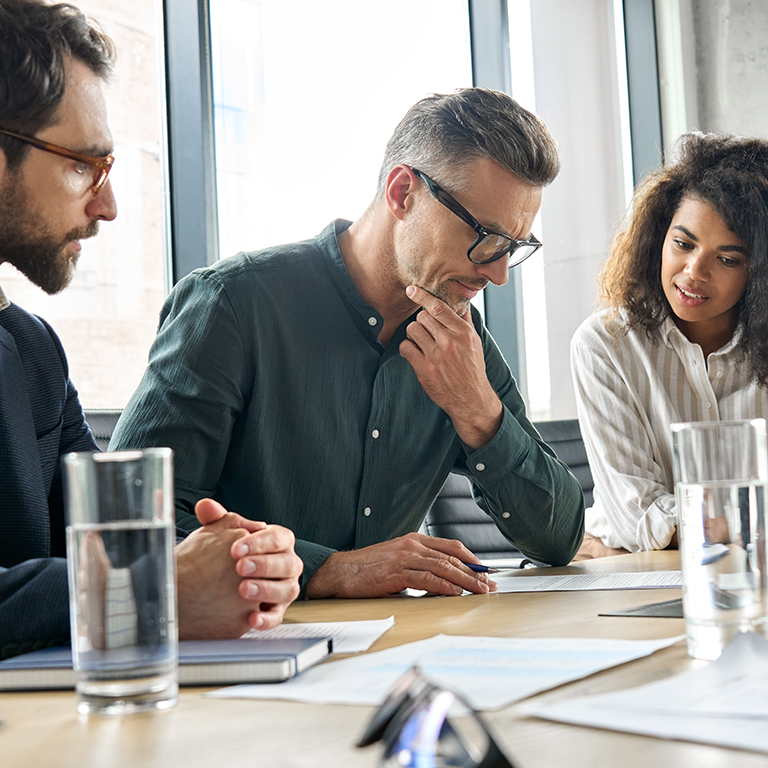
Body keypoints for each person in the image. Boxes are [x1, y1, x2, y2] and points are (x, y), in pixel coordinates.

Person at [111, 87, 585, 598]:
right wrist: (329, 569)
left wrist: (478, 412)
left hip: (395, 654)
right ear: (403, 192)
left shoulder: (460, 339)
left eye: (513, 249)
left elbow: (558, 540)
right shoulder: (233, 305)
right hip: (247, 653)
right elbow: (128, 519)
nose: (498, 276)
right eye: (486, 238)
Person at [0, 0, 302, 659]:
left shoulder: (32, 352)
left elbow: (110, 544)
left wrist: (239, 564)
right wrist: (153, 590)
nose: (107, 206)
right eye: (83, 164)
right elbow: (130, 580)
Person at [571, 131, 768, 559]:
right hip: (627, 568)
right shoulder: (606, 344)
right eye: (683, 243)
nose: (694, 271)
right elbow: (638, 515)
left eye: (728, 259)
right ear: (660, 237)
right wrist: (750, 520)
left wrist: (709, 523)